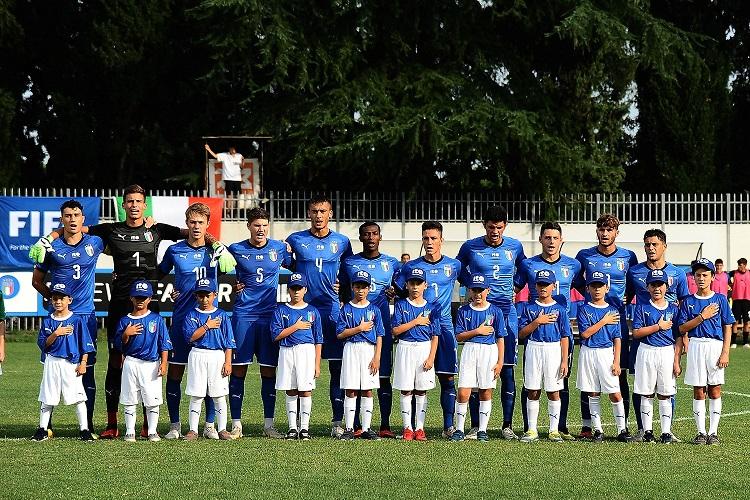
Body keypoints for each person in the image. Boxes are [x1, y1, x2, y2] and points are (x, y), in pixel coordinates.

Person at [28, 184, 235, 437]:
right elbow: (73, 228)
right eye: (130, 201)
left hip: (150, 303)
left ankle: (149, 425)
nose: (135, 205)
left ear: (144, 205)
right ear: (123, 205)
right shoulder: (110, 230)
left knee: (152, 361)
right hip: (120, 304)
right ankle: (113, 424)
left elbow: (193, 233)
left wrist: (217, 244)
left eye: (139, 201)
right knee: (116, 361)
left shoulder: (156, 229)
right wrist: (49, 236)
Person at [31, 199, 104, 433]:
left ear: (83, 219)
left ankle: (87, 425)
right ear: (62, 219)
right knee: (50, 370)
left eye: (76, 215)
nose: (72, 219)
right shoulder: (50, 248)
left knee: (87, 369)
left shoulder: (96, 242)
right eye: (67, 215)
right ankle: (46, 426)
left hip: (85, 316)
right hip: (58, 318)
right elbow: (36, 280)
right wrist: (54, 300)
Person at [456, 206, 526, 440]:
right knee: (476, 371)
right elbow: (458, 268)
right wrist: (472, 284)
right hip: (479, 309)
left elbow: (525, 268)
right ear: (484, 225)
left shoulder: (515, 246)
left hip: (506, 310)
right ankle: (476, 426)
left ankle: (507, 425)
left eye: (499, 227)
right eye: (490, 226)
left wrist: (516, 286)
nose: (495, 231)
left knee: (506, 368)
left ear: (505, 226)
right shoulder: (470, 246)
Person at [286, 195, 353, 437]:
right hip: (303, 311)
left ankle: (337, 422)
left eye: (323, 211)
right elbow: (281, 265)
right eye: (314, 211)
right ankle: (298, 425)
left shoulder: (342, 242)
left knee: (337, 368)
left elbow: (349, 271)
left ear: (330, 214)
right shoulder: (295, 240)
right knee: (300, 369)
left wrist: (343, 290)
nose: (318, 215)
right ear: (308, 213)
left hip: (332, 311)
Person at [158, 203, 224, 439]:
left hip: (209, 322)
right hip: (182, 320)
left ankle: (208, 425)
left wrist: (240, 284)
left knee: (208, 378)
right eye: (192, 222)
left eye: (201, 222)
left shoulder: (216, 250)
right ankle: (175, 425)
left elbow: (236, 270)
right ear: (187, 224)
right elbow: (157, 274)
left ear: (208, 224)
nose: (196, 227)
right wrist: (171, 291)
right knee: (175, 373)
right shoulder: (175, 251)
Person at [228, 207, 292, 439]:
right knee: (238, 371)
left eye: (265, 225)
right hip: (243, 316)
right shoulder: (235, 249)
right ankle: (236, 424)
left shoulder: (278, 248)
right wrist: (232, 283)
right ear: (249, 226)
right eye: (257, 225)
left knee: (268, 372)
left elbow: (300, 268)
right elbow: (219, 270)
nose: (261, 229)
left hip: (269, 317)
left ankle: (268, 425)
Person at [514, 221, 581, 441]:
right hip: (535, 338)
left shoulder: (573, 265)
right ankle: (530, 427)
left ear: (562, 240)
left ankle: (559, 428)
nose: (551, 242)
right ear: (541, 239)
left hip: (560, 334)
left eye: (555, 238)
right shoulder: (528, 265)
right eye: (547, 237)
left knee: (561, 382)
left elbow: (588, 288)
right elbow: (514, 287)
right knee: (531, 385)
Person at [395, 221, 462, 438]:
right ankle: (412, 427)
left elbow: (474, 284)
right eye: (426, 238)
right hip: (418, 332)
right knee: (413, 381)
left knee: (447, 377)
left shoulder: (454, 265)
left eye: (433, 238)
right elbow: (397, 291)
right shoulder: (410, 266)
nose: (430, 242)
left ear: (442, 240)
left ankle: (448, 426)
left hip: (444, 328)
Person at [574, 213, 638, 440]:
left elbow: (632, 285)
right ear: (597, 232)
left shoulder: (629, 256)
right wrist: (593, 302)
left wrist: (617, 305)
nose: (605, 233)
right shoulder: (585, 256)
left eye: (609, 230)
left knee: (618, 374)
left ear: (616, 233)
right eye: (601, 229)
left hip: (617, 320)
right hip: (592, 317)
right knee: (588, 380)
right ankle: (588, 426)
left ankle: (624, 425)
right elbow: (577, 281)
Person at [625, 228, 689, 441]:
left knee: (667, 385)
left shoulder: (678, 273)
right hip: (643, 338)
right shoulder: (634, 272)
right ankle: (644, 429)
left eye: (655, 244)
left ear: (664, 246)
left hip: (668, 340)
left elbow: (684, 304)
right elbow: (626, 298)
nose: (651, 248)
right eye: (647, 245)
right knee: (642, 384)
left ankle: (666, 430)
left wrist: (685, 335)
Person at [339, 222, 399, 437]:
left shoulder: (391, 263)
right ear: (361, 237)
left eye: (374, 234)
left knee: (382, 377)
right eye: (366, 234)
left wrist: (394, 293)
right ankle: (353, 426)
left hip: (379, 330)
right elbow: (342, 288)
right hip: (355, 333)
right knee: (354, 381)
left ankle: (384, 425)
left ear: (380, 237)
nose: (371, 237)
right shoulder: (349, 263)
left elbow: (400, 289)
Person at [677, 258, 734, 445]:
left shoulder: (720, 299)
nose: (701, 278)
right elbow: (682, 328)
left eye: (705, 275)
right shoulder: (688, 301)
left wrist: (725, 351)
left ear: (712, 277)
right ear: (693, 277)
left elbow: (727, 326)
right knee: (699, 389)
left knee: (715, 388)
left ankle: (713, 432)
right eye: (698, 275)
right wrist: (702, 317)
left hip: (715, 346)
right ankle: (701, 432)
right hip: (696, 345)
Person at [32, 282, 95, 441]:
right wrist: (56, 333)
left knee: (79, 397)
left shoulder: (77, 320)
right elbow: (43, 344)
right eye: (55, 298)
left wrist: (83, 362)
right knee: (47, 396)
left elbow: (85, 344)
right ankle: (42, 429)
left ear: (69, 300)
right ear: (51, 300)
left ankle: (84, 430)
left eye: (62, 298)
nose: (58, 302)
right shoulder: (48, 321)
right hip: (52, 362)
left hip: (71, 363)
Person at [113, 280, 172, 442]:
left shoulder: (157, 319)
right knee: (130, 398)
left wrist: (164, 363)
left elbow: (164, 344)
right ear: (131, 298)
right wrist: (126, 333)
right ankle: (130, 431)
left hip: (151, 364)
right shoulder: (125, 321)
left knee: (152, 399)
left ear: (150, 298)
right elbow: (118, 344)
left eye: (144, 298)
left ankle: (152, 431)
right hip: (131, 362)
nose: (140, 301)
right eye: (137, 297)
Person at [517, 270, 571, 443]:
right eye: (540, 284)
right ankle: (532, 430)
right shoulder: (529, 307)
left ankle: (553, 430)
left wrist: (564, 360)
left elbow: (564, 336)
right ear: (535, 286)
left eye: (546, 284)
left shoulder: (560, 309)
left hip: (553, 349)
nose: (543, 288)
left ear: (553, 286)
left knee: (554, 391)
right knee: (533, 389)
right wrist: (536, 322)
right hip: (534, 348)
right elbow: (521, 333)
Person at [451, 273, 506, 442]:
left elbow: (501, 337)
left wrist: (500, 362)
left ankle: (482, 430)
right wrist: (477, 331)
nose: (478, 294)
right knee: (463, 391)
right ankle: (459, 429)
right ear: (469, 291)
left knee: (485, 391)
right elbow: (459, 336)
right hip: (470, 350)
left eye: (481, 290)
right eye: (474, 290)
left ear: (488, 290)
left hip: (489, 352)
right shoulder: (464, 310)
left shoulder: (495, 311)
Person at [631, 269, 682, 444]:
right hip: (647, 351)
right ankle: (647, 432)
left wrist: (676, 360)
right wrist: (658, 327)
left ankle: (666, 432)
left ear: (666, 286)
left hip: (667, 352)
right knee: (646, 393)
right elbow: (636, 332)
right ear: (647, 287)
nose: (657, 288)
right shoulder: (642, 307)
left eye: (660, 284)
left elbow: (679, 336)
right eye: (653, 284)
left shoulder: (674, 309)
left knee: (665, 393)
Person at [270, 273, 323, 441]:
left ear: (305, 290)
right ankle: (293, 427)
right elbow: (276, 335)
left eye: (299, 288)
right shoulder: (281, 310)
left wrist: (317, 364)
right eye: (293, 288)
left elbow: (318, 339)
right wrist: (296, 326)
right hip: (287, 351)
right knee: (291, 389)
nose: (296, 292)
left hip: (306, 351)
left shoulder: (312, 311)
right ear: (288, 290)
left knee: (305, 390)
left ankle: (305, 428)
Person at [576, 271, 627, 442]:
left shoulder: (613, 311)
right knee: (593, 392)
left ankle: (622, 429)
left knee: (615, 392)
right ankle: (598, 429)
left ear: (607, 288)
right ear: (588, 288)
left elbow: (617, 338)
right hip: (588, 352)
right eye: (593, 286)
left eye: (600, 286)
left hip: (606, 352)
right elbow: (584, 334)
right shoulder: (584, 309)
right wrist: (603, 321)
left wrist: (617, 361)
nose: (597, 289)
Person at [182, 278, 236, 441]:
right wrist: (207, 326)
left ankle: (222, 429)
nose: (204, 299)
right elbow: (190, 337)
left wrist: (228, 362)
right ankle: (193, 430)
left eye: (207, 295)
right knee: (196, 394)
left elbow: (229, 341)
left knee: (219, 395)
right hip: (198, 354)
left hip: (217, 356)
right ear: (196, 296)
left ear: (215, 295)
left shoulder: (222, 315)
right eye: (200, 296)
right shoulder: (191, 314)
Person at [391, 268, 440, 441]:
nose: (415, 287)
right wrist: (416, 321)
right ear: (406, 285)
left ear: (425, 285)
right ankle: (407, 428)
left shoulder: (432, 307)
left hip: (424, 348)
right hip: (405, 348)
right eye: (412, 283)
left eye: (418, 283)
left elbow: (436, 335)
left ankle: (419, 428)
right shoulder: (401, 305)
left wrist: (432, 357)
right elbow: (396, 330)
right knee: (406, 389)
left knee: (421, 390)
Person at [336, 271, 384, 440]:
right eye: (358, 286)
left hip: (368, 350)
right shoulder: (346, 308)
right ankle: (349, 428)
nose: (361, 290)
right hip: (351, 348)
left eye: (364, 286)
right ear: (352, 287)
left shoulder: (374, 310)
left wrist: (377, 357)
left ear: (369, 288)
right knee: (351, 388)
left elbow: (380, 335)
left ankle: (366, 428)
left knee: (368, 389)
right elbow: (340, 333)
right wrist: (358, 328)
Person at [204, 143, 244, 214]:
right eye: (232, 149)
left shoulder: (239, 155)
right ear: (229, 149)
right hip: (228, 178)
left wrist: (243, 161)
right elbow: (215, 156)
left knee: (237, 195)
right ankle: (228, 212)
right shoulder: (225, 155)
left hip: (237, 178)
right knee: (229, 196)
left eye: (234, 149)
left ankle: (236, 211)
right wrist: (208, 149)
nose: (233, 150)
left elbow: (242, 166)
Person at [729, 258, 750, 348]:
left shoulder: (749, 273)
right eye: (739, 265)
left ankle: (745, 343)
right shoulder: (733, 273)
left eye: (742, 265)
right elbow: (724, 279)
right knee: (735, 322)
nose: (740, 266)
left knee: (746, 322)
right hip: (736, 300)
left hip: (747, 300)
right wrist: (729, 286)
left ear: (745, 265)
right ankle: (733, 342)